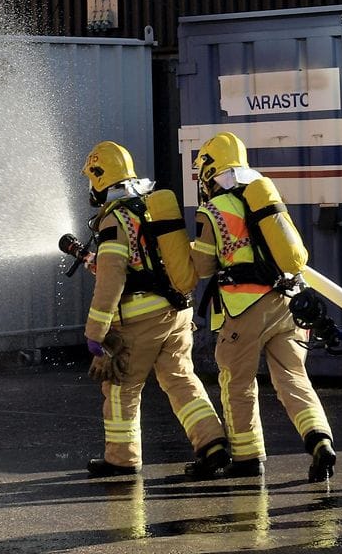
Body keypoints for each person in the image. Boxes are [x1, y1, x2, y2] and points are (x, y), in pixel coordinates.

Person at [78, 140, 229, 479]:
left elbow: (113, 278)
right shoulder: (148, 206)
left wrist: (95, 334)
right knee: (180, 380)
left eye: (92, 180)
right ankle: (212, 442)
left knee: (121, 386)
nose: (90, 189)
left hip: (140, 319)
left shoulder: (114, 220)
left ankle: (122, 458)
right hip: (177, 313)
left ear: (102, 179)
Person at [191, 131, 336, 482]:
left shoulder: (212, 210)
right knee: (293, 378)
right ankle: (319, 439)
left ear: (211, 171)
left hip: (245, 306)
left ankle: (247, 456)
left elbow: (203, 268)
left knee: (237, 382)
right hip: (287, 302)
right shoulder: (265, 199)